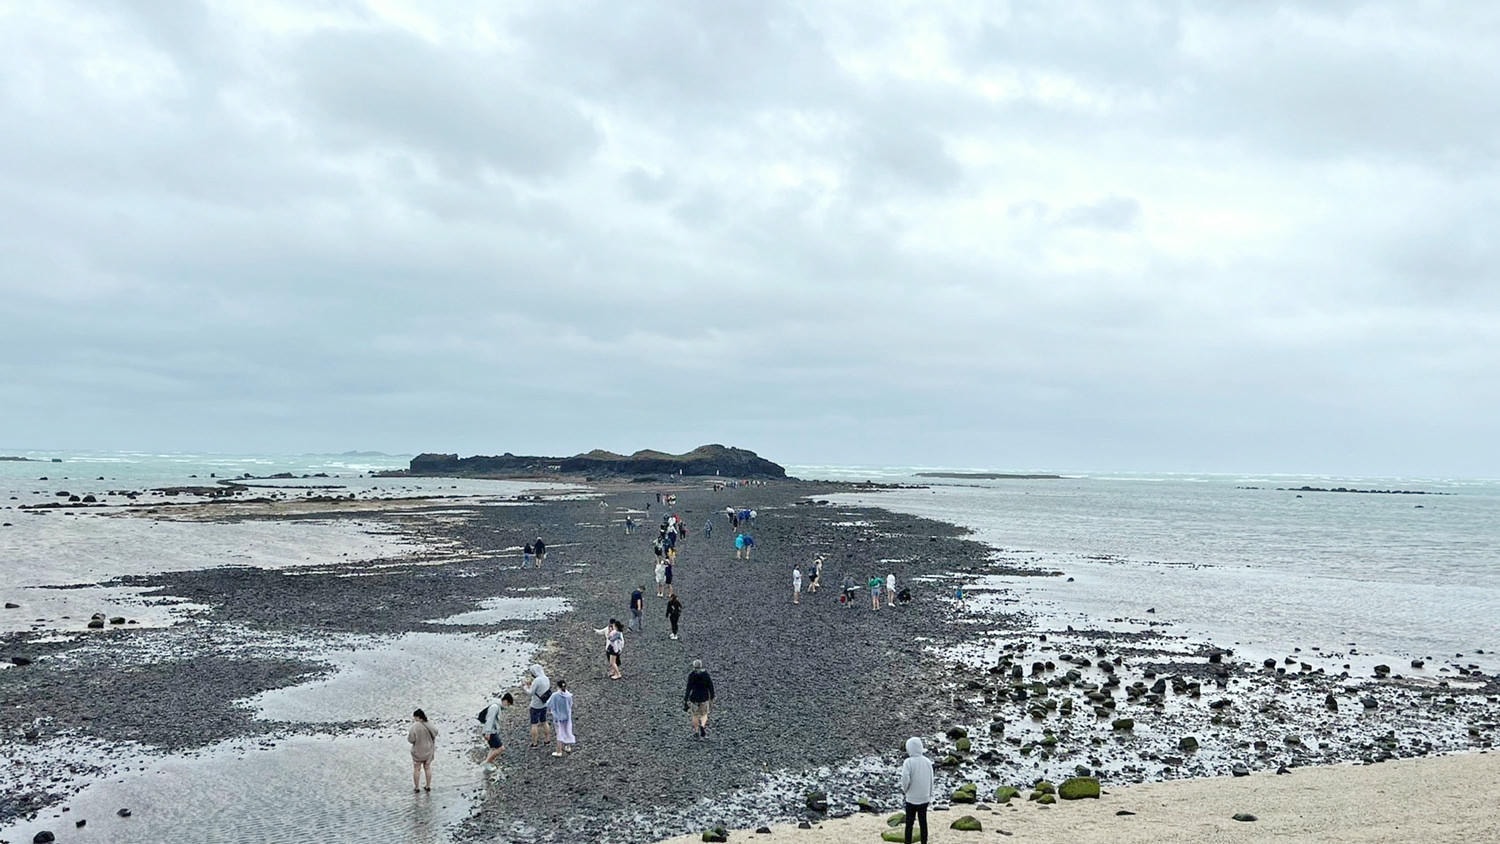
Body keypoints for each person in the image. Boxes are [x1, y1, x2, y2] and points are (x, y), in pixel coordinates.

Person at [898, 736, 934, 844]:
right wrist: (929, 794)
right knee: (923, 822)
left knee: (909, 823)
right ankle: (924, 842)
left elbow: (905, 779)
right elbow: (931, 779)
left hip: (911, 798)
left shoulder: (908, 762)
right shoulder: (927, 761)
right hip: (924, 797)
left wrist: (905, 790)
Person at [480, 693, 515, 772]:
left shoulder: (497, 705)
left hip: (492, 731)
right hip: (490, 731)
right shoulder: (495, 707)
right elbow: (490, 719)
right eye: (508, 704)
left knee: (493, 748)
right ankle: (487, 762)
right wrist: (488, 732)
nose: (507, 707)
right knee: (500, 748)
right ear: (505, 701)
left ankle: (487, 764)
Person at [683, 658, 715, 738]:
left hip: (694, 698)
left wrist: (686, 699)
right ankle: (702, 726)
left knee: (695, 715)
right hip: (704, 698)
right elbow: (710, 686)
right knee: (704, 714)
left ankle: (696, 731)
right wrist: (712, 696)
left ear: (694, 666)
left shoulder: (691, 675)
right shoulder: (706, 675)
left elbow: (688, 688)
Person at [408, 708, 437, 792]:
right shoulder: (429, 724)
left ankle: (417, 788)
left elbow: (411, 739)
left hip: (418, 751)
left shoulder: (415, 726)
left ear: (418, 717)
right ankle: (428, 786)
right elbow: (435, 733)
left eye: (415, 717)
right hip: (429, 750)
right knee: (427, 768)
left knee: (417, 769)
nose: (414, 719)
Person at [547, 679, 575, 756]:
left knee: (559, 732)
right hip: (567, 716)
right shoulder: (569, 695)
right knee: (567, 730)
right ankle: (568, 746)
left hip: (558, 717)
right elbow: (570, 704)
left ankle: (559, 751)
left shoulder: (555, 695)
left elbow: (549, 704)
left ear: (558, 686)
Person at [526, 664, 552, 747]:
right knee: (544, 722)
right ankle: (547, 740)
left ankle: (534, 743)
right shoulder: (546, 678)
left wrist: (525, 687)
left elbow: (530, 693)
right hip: (544, 704)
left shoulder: (537, 680)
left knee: (534, 724)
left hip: (535, 705)